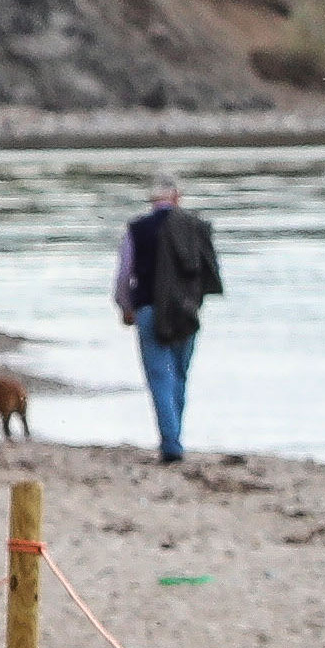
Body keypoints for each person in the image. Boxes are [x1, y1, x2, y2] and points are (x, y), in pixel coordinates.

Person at [113, 178, 220, 463]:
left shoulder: (138, 229)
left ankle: (171, 444)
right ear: (177, 197)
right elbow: (208, 271)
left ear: (152, 199)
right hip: (186, 309)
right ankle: (175, 437)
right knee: (180, 375)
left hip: (149, 308)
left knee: (160, 376)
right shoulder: (196, 227)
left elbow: (125, 274)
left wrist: (125, 306)